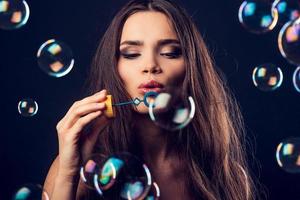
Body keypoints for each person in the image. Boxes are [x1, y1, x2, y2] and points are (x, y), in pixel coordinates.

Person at [43, 0, 256, 199]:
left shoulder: (223, 175)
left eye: (170, 53)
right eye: (131, 54)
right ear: (113, 66)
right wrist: (69, 172)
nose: (150, 65)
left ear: (192, 68)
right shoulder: (77, 168)